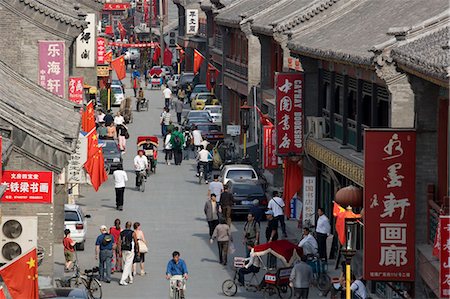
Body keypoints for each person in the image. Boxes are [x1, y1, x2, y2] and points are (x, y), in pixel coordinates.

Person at [119, 221, 139, 286]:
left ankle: (130, 278)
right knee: (127, 265)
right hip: (130, 250)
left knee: (127, 264)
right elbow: (136, 242)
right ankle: (122, 279)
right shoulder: (132, 233)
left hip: (123, 249)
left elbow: (119, 242)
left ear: (125, 225)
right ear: (130, 226)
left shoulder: (122, 233)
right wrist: (137, 251)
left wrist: (119, 250)